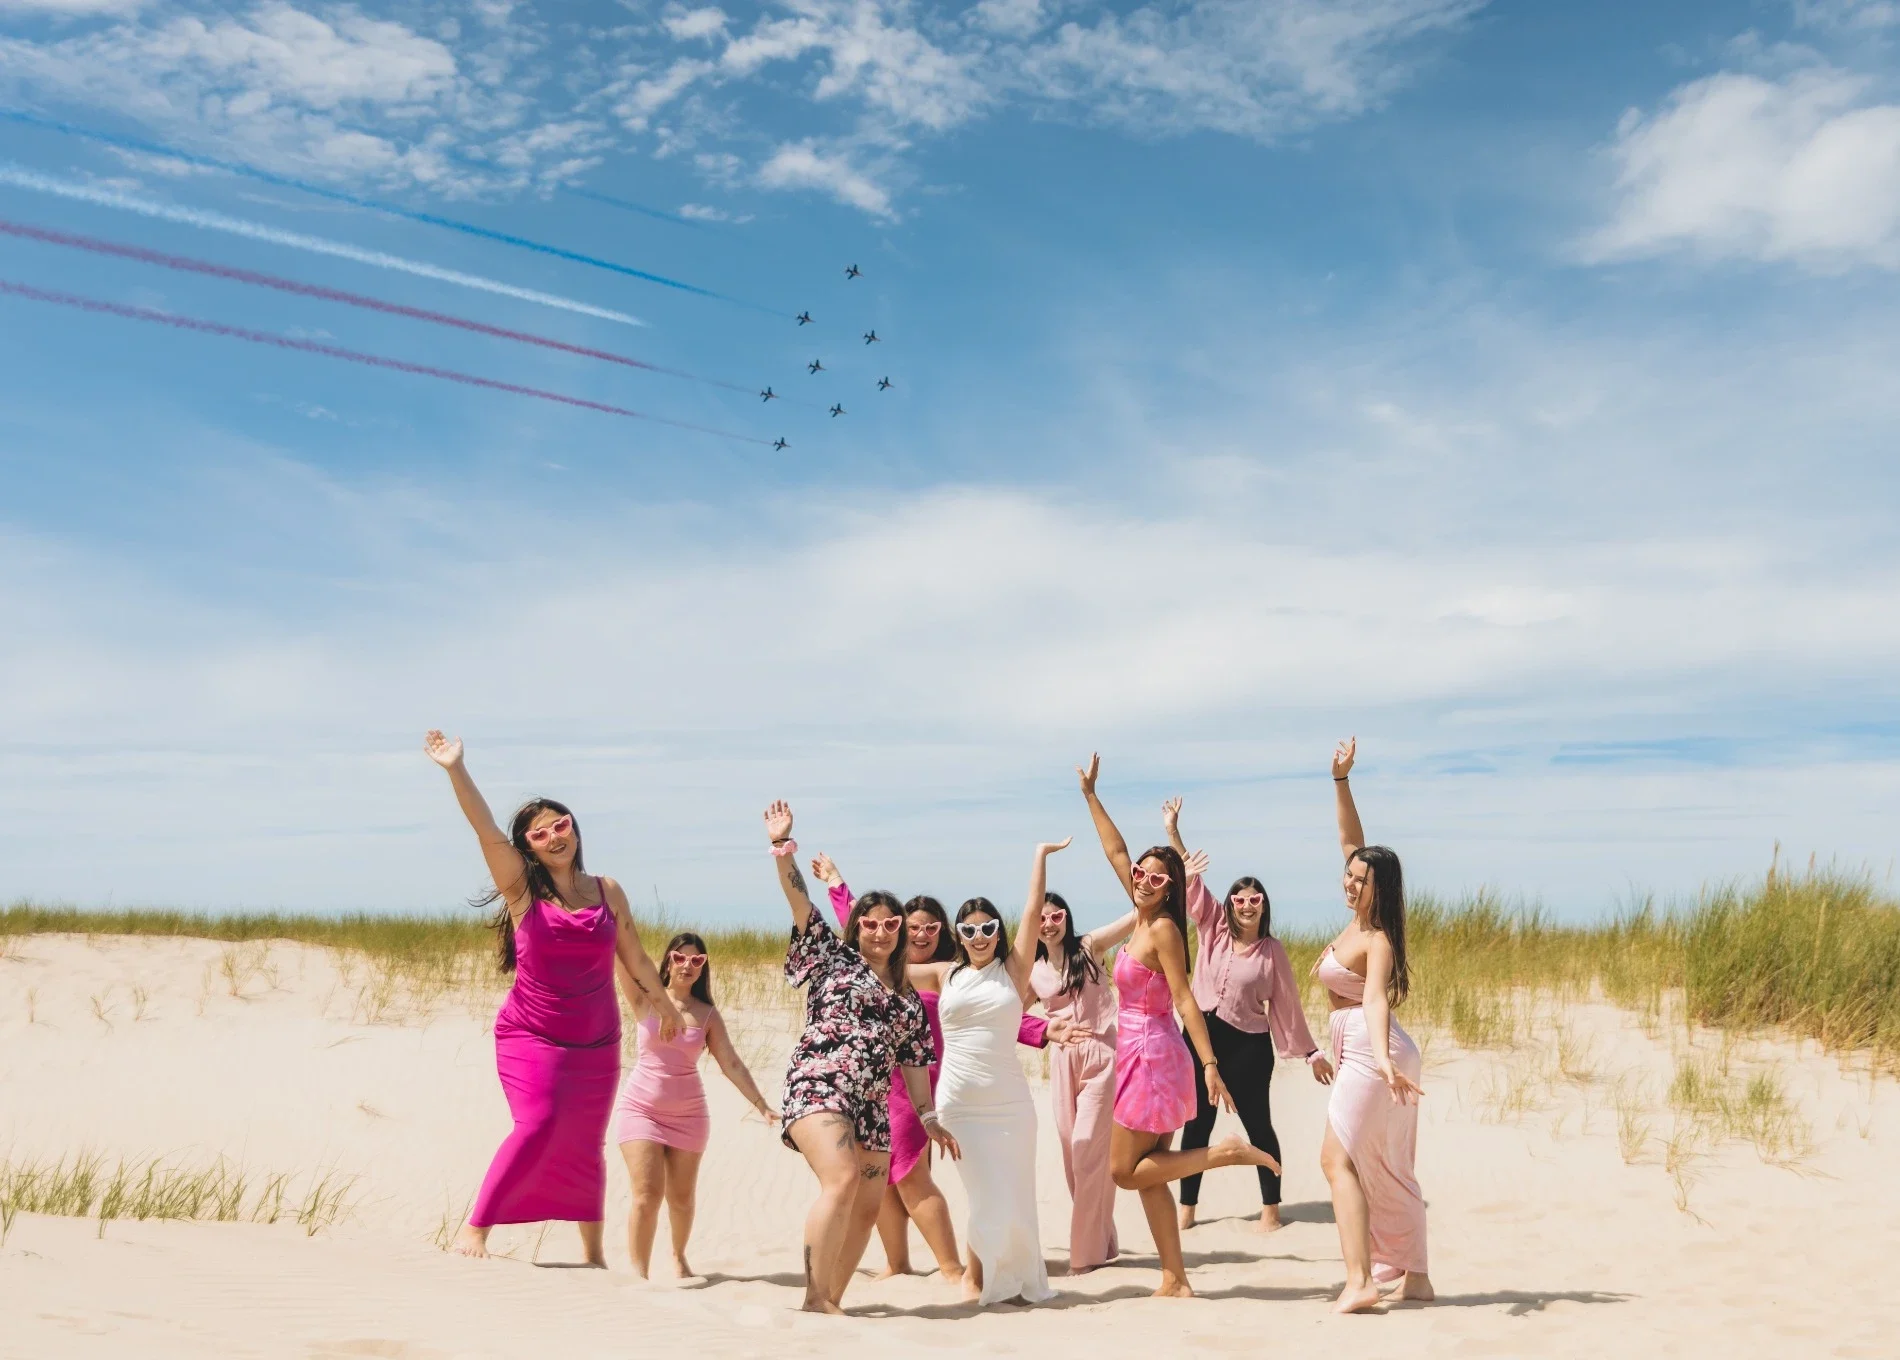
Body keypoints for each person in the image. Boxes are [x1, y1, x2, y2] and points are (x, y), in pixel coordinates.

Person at [423, 730, 680, 1264]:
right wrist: (456, 769)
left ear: (575, 830)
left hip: (597, 1040)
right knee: (537, 1124)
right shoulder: (522, 889)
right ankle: (475, 1230)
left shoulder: (607, 890)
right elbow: (485, 829)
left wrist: (664, 1004)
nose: (554, 837)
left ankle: (593, 1253)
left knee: (586, 1142)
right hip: (532, 1033)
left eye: (561, 825)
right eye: (540, 834)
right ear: (529, 848)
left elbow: (634, 956)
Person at [808, 858, 1070, 1287]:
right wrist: (837, 884)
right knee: (884, 1177)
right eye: (913, 927)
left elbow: (996, 1017)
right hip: (879, 1083)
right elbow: (863, 926)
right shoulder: (886, 971)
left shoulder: (951, 973)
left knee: (912, 1177)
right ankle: (898, 1262)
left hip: (924, 1086)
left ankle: (951, 1267)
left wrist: (1041, 1030)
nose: (921, 934)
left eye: (931, 927)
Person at [1077, 753, 1279, 1298]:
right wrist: (1091, 795)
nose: (1142, 879)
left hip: (1152, 1055)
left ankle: (1223, 1154)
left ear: (1171, 887)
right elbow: (1115, 851)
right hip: (1144, 1051)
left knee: (1125, 1171)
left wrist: (1209, 1064)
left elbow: (1186, 1000)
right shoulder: (1142, 914)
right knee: (1153, 1172)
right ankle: (1176, 1278)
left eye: (1155, 876)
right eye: (1139, 874)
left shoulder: (1163, 929)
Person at [763, 800, 959, 1314]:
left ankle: (832, 1300)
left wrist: (929, 1118)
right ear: (857, 928)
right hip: (820, 1085)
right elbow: (799, 900)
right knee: (842, 1179)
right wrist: (783, 846)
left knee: (868, 1208)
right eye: (869, 923)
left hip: (871, 1106)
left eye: (890, 923)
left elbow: (915, 1067)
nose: (880, 931)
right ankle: (813, 1298)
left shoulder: (909, 1001)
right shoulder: (832, 957)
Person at [902, 842, 1071, 1306]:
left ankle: (995, 1278)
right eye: (970, 929)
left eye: (988, 928)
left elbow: (1033, 910)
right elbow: (880, 961)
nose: (979, 937)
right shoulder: (943, 974)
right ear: (959, 934)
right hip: (959, 1104)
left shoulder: (1014, 970)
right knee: (983, 1194)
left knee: (1013, 1194)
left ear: (999, 932)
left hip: (1011, 1106)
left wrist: (1039, 857)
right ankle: (978, 1279)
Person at [1160, 797, 1334, 1233]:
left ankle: (1271, 1209)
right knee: (1196, 1127)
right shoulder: (1213, 926)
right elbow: (1191, 880)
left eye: (1255, 899)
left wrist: (1312, 1053)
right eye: (1239, 898)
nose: (1246, 904)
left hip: (1248, 1049)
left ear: (1263, 905)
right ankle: (1187, 1210)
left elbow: (1287, 1006)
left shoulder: (1272, 951)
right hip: (1200, 1038)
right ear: (1231, 904)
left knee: (1260, 1127)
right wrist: (1174, 833)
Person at [1317, 737, 1433, 1313]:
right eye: (1348, 875)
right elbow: (1351, 842)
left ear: (1378, 888)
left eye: (1360, 880)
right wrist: (1340, 781)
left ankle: (1361, 1279)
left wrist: (1384, 1060)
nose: (1349, 882)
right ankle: (1416, 1278)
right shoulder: (1358, 918)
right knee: (1384, 1165)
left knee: (1336, 1159)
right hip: (1367, 1048)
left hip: (1373, 1047)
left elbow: (1374, 1000)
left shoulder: (1378, 937)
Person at [613, 931, 778, 1279]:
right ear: (667, 961)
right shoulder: (646, 998)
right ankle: (638, 1274)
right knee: (647, 1194)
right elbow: (622, 956)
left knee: (682, 1199)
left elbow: (731, 1063)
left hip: (689, 1116)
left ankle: (678, 1256)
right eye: (679, 957)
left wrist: (761, 1104)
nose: (687, 965)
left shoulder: (707, 1015)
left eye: (696, 960)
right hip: (640, 1109)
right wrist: (605, 919)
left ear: (703, 968)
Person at [1030, 888, 1135, 1273]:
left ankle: (1084, 1256)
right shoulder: (1033, 970)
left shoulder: (1090, 948)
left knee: (1086, 1145)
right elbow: (1008, 1012)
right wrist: (1043, 1030)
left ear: (1066, 917)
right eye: (1041, 918)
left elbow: (1134, 918)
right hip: (1062, 1061)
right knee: (1073, 1154)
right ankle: (1102, 1239)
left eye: (1056, 916)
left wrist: (1174, 879)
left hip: (1101, 1056)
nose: (1049, 924)